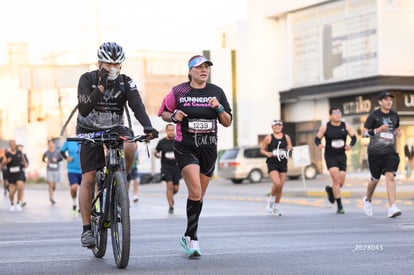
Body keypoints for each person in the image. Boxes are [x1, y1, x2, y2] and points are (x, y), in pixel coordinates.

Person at [76, 42, 158, 248]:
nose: (113, 68)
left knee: (131, 145)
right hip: (89, 130)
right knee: (89, 177)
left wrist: (148, 126)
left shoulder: (125, 82)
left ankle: (119, 182)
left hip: (114, 128)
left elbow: (137, 105)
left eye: (117, 64)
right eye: (108, 64)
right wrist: (101, 86)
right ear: (99, 62)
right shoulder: (87, 79)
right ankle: (86, 229)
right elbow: (84, 108)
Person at [158, 55, 232, 258]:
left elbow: (227, 122)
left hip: (208, 148)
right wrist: (173, 116)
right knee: (196, 191)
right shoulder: (179, 91)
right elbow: (163, 112)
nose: (204, 70)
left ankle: (188, 234)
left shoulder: (217, 91)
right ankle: (193, 239)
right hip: (186, 147)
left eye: (206, 66)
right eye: (199, 67)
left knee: (198, 197)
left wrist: (219, 108)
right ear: (190, 71)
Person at [362, 91, 402, 218]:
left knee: (390, 176)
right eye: (385, 99)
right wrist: (378, 130)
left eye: (390, 99)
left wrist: (397, 131)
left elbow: (395, 128)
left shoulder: (395, 115)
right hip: (375, 153)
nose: (389, 101)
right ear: (380, 102)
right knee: (375, 180)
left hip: (390, 152)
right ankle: (367, 200)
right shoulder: (374, 116)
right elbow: (363, 133)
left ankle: (392, 207)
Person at [314, 107, 357, 214]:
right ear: (330, 115)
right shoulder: (325, 126)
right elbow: (317, 138)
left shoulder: (345, 125)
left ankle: (330, 189)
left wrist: (350, 146)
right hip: (330, 155)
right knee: (336, 178)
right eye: (335, 113)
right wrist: (319, 144)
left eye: (339, 113)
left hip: (341, 156)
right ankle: (340, 206)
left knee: (340, 182)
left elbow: (354, 137)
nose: (338, 115)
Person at [260, 119, 293, 216]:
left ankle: (276, 208)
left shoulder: (286, 137)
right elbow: (262, 149)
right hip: (272, 163)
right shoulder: (268, 138)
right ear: (272, 127)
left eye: (279, 125)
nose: (277, 127)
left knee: (280, 187)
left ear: (281, 127)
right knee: (277, 183)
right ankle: (270, 201)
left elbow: (290, 146)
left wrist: (290, 148)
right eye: (276, 125)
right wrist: (267, 153)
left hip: (283, 162)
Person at [154, 123, 182, 214]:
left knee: (176, 188)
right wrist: (156, 154)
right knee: (169, 186)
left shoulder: (178, 141)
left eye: (172, 130)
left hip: (177, 167)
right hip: (166, 167)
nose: (171, 132)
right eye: (169, 130)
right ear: (166, 131)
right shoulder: (162, 142)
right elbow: (156, 151)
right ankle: (171, 205)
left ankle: (170, 196)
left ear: (174, 131)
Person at [2, 140, 28, 211]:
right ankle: (12, 204)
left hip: (19, 173)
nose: (13, 145)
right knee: (11, 192)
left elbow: (23, 160)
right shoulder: (7, 154)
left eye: (14, 144)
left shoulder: (19, 152)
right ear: (9, 145)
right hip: (11, 175)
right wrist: (7, 161)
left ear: (15, 145)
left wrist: (25, 164)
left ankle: (18, 203)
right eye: (11, 144)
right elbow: (2, 165)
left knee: (20, 186)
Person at [60, 140, 82, 216]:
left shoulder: (85, 139)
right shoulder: (69, 141)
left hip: (84, 169)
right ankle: (74, 203)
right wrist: (66, 158)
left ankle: (81, 207)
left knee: (84, 190)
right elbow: (62, 151)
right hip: (72, 169)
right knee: (74, 187)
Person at [42, 139, 63, 205]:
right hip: (49, 170)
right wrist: (46, 161)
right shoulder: (46, 152)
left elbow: (61, 159)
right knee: (50, 184)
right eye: (49, 143)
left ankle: (52, 193)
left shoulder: (57, 152)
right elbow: (43, 159)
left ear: (54, 144)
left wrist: (56, 159)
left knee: (54, 186)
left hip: (56, 170)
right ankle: (51, 198)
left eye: (51, 143)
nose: (50, 145)